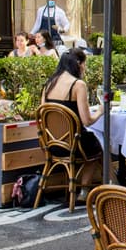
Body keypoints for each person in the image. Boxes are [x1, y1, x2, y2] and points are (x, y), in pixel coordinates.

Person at [41, 49, 105, 181]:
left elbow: (42, 113)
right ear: (79, 64)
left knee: (93, 141)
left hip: (51, 144)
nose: (84, 68)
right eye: (84, 64)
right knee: (99, 146)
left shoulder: (49, 84)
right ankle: (85, 189)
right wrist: (100, 111)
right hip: (75, 145)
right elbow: (87, 121)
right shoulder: (78, 85)